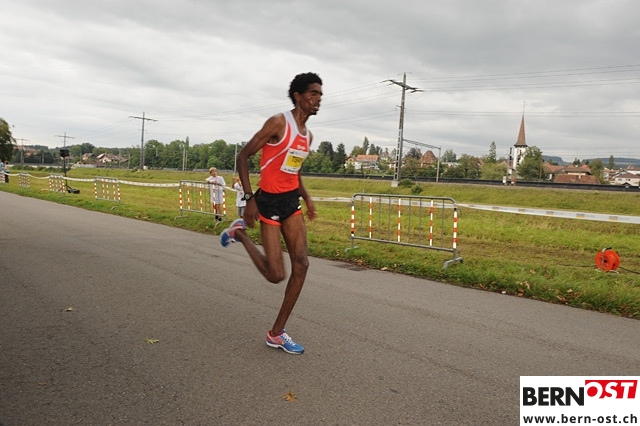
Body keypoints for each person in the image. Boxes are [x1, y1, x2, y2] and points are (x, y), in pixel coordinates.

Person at [219, 72, 322, 355]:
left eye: (320, 95)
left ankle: (276, 333)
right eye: (313, 93)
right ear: (298, 96)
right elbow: (243, 156)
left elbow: (294, 171)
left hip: (291, 203)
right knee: (276, 275)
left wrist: (306, 197)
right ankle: (240, 233)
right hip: (268, 202)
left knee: (302, 265)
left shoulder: (307, 136)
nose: (318, 99)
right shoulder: (278, 123)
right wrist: (249, 198)